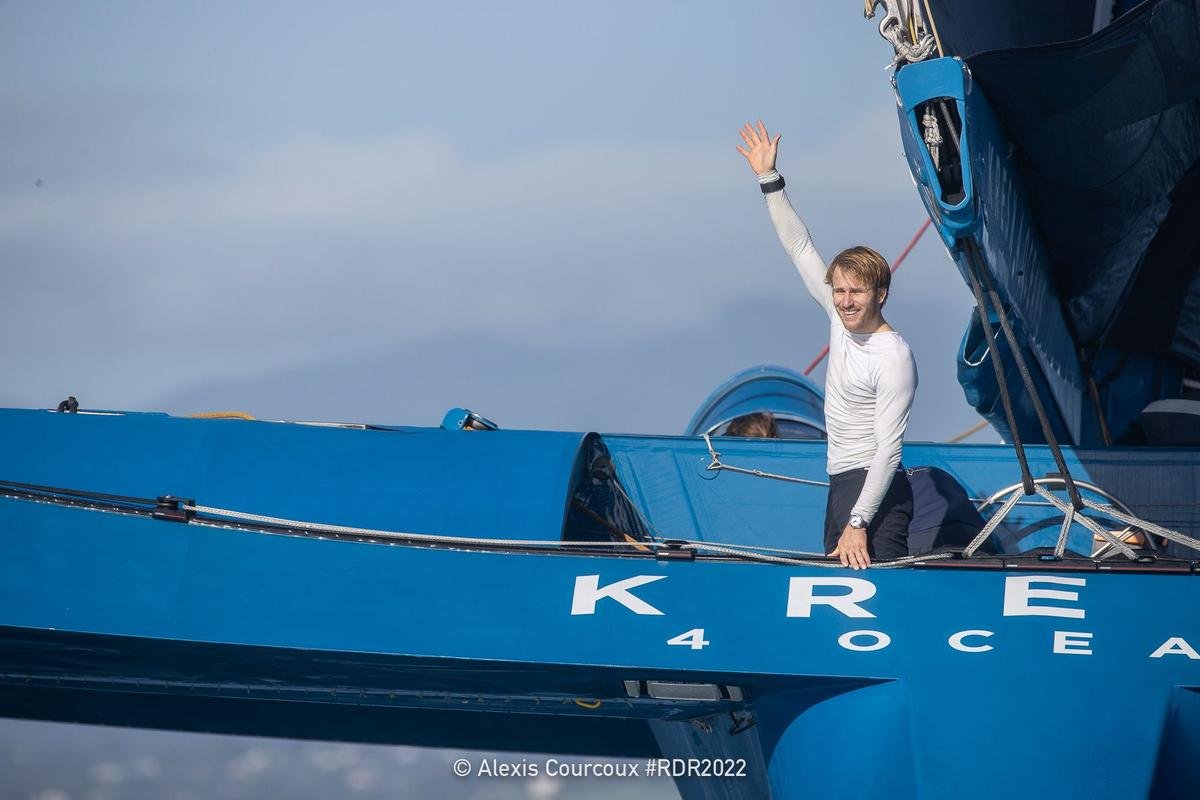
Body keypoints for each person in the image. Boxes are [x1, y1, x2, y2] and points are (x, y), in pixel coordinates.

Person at [737, 120, 918, 569]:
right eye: (839, 291)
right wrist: (769, 180)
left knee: (877, 606)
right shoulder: (839, 321)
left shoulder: (893, 355)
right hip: (841, 484)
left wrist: (858, 521)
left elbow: (888, 451)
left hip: (874, 495)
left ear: (881, 294)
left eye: (857, 292)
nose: (846, 301)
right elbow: (799, 246)